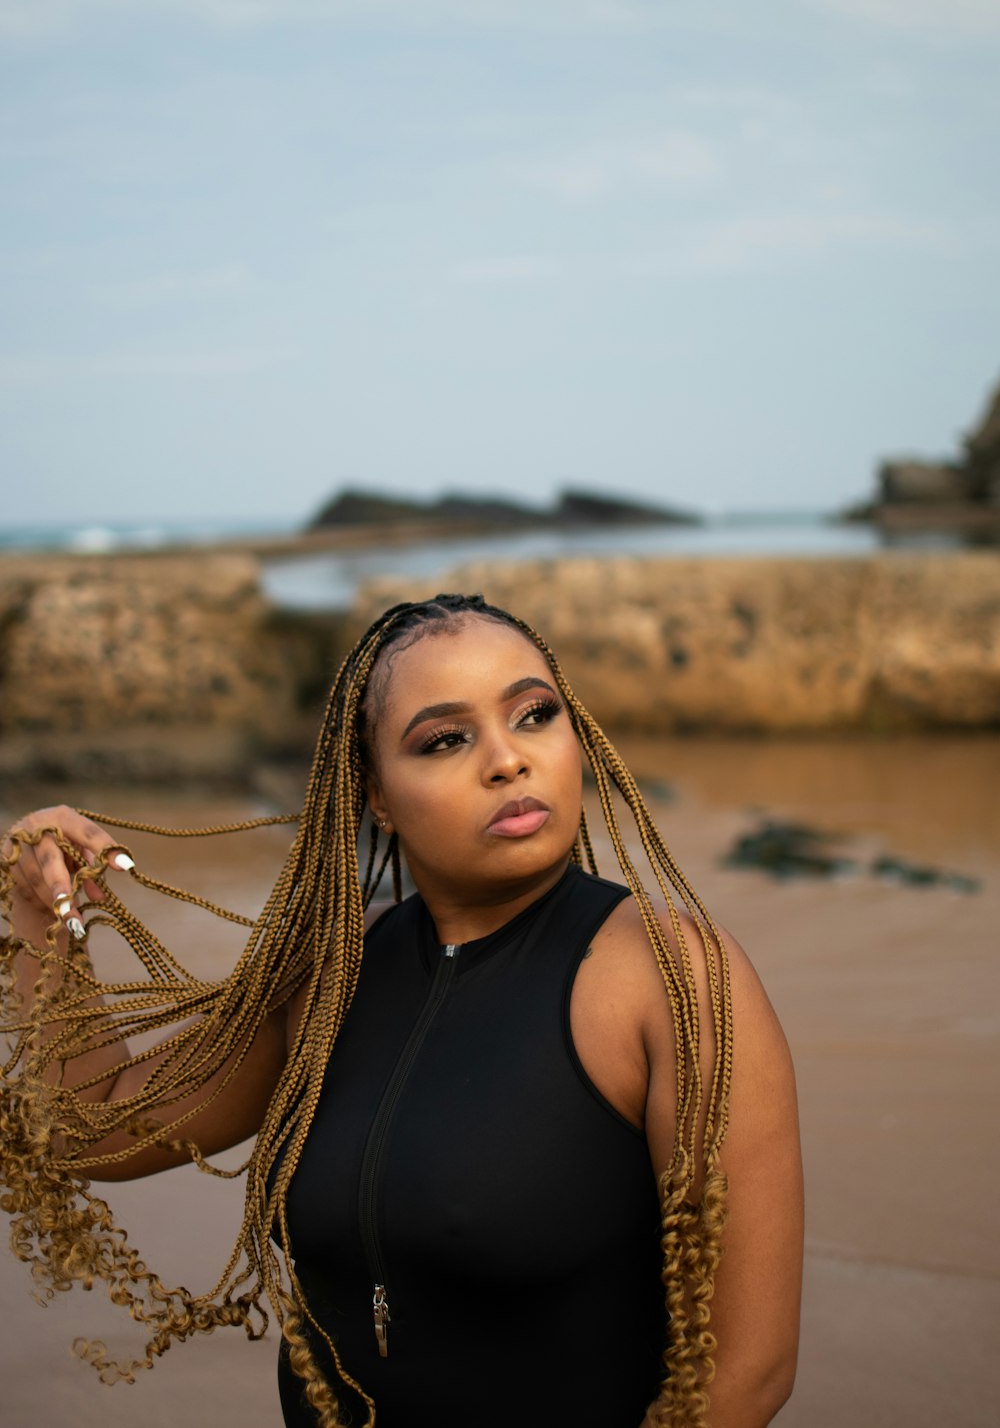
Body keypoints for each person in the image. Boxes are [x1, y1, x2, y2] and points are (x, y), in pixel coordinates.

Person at [0, 592, 803, 1428]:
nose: (507, 760)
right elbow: (87, 1127)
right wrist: (41, 909)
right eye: (445, 739)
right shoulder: (330, 977)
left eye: (534, 715)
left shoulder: (671, 977)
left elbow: (746, 1374)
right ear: (377, 795)